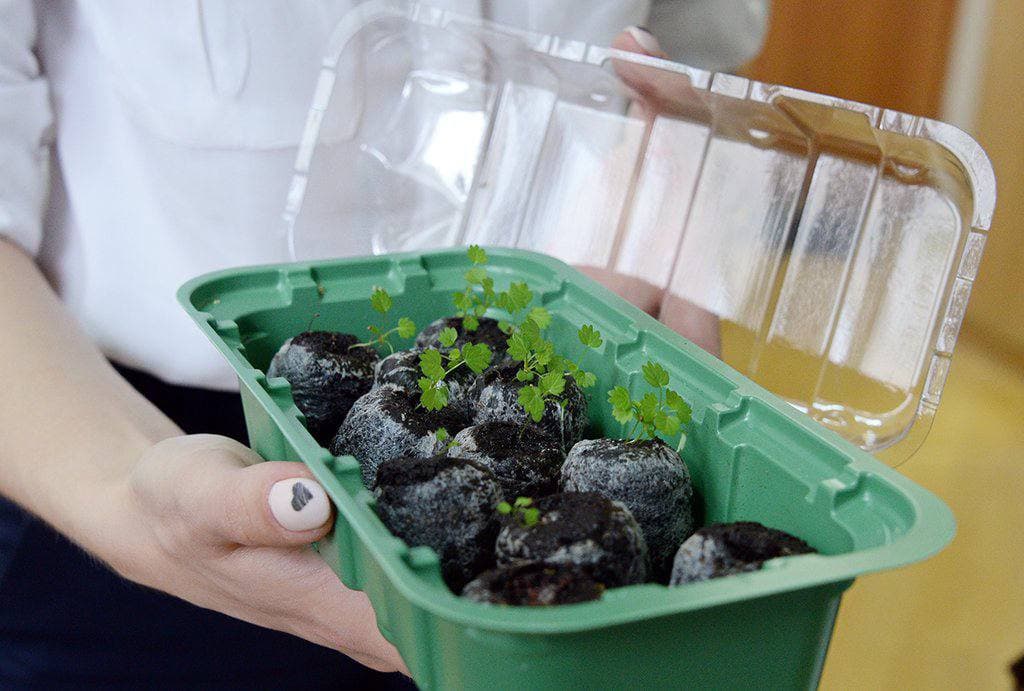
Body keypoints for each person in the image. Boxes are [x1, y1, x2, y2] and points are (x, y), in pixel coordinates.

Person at [0, 1, 769, 687]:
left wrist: (677, 171)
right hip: (106, 438)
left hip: (557, 429)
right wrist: (114, 482)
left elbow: (697, 58)